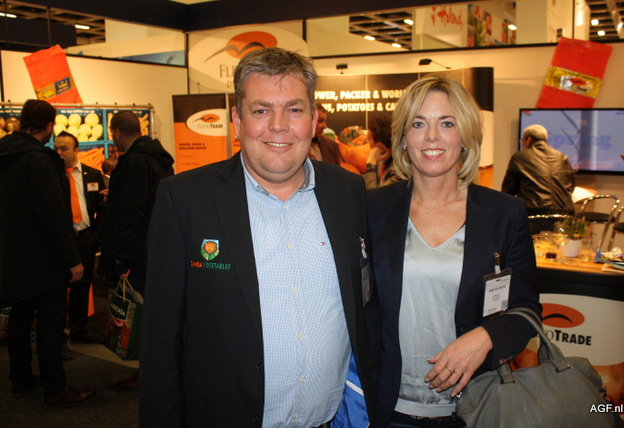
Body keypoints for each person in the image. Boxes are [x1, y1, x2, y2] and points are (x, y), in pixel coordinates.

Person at [139, 47, 376, 427]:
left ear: (314, 120)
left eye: (294, 109)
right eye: (261, 110)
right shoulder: (185, 200)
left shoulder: (348, 192)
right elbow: (160, 339)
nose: (278, 126)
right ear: (237, 119)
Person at [366, 75, 541, 427]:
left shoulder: (503, 213)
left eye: (447, 123)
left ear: (465, 136)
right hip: (387, 406)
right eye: (419, 124)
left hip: (474, 408)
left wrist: (486, 337)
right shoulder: (371, 209)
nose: (432, 136)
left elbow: (527, 311)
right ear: (403, 138)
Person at [0, 99, 96, 407]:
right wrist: (72, 260)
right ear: (49, 126)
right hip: (43, 259)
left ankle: (20, 377)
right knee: (51, 322)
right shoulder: (40, 160)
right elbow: (52, 215)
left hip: (12, 256)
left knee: (20, 316)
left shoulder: (6, 155)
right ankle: (56, 388)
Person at [98, 110, 174, 390]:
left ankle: (149, 373)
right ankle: (160, 369)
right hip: (156, 248)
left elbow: (128, 214)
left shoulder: (134, 162)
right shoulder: (159, 159)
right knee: (155, 315)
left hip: (138, 254)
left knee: (141, 317)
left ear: (117, 133)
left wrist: (121, 259)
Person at [53, 131, 106, 344]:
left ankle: (78, 331)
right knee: (57, 290)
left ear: (76, 150)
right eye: (56, 148)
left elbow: (102, 206)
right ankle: (57, 337)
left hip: (85, 238)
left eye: (63, 148)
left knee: (82, 288)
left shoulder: (92, 175)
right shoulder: (50, 175)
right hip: (60, 240)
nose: (59, 152)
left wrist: (96, 236)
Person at [501, 124, 575, 232]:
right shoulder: (562, 157)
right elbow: (571, 186)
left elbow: (509, 189)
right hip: (564, 217)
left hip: (534, 217)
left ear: (528, 140)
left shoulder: (520, 157)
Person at [363, 116, 400, 189]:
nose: (367, 142)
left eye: (369, 139)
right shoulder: (380, 161)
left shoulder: (398, 172)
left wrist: (371, 164)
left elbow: (372, 194)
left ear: (379, 146)